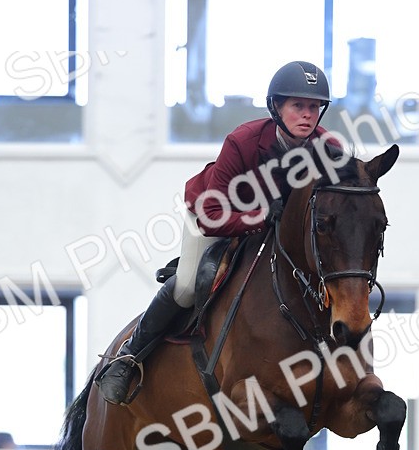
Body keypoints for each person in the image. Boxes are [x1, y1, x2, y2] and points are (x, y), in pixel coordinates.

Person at [97, 60, 335, 405]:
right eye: (298, 105)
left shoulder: (329, 150)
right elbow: (211, 215)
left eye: (314, 107)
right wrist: (260, 216)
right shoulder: (243, 141)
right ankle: (128, 358)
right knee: (187, 286)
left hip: (277, 231)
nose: (307, 115)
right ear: (276, 108)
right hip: (216, 216)